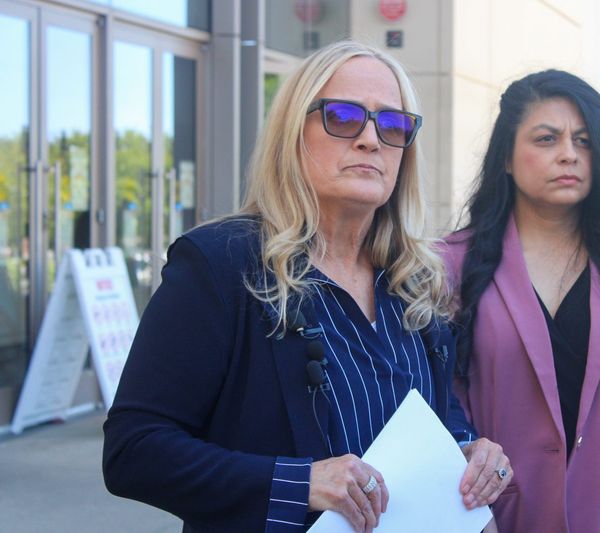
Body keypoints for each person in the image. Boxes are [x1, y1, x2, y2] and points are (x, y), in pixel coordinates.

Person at [103, 40, 511, 533]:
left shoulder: (413, 277)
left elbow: (435, 416)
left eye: (393, 124)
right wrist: (300, 484)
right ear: (293, 133)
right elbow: (134, 449)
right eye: (342, 116)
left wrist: (468, 451)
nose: (370, 140)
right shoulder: (221, 264)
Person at [442, 70, 600, 532]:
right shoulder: (454, 264)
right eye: (547, 139)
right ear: (507, 159)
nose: (569, 154)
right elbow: (444, 404)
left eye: (584, 140)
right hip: (493, 520)